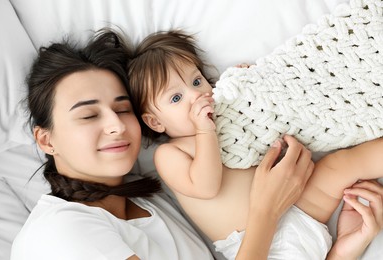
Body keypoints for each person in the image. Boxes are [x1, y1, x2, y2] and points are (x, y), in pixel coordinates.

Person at [9, 28, 318, 260]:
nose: (116, 126)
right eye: (89, 115)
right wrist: (266, 211)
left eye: (122, 109)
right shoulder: (61, 234)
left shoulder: (147, 199)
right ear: (46, 139)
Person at [128, 30, 383, 260]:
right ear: (154, 121)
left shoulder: (226, 122)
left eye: (197, 82)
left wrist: (248, 89)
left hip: (298, 210)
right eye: (176, 97)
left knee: (339, 165)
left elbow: (266, 121)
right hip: (263, 248)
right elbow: (206, 186)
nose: (196, 95)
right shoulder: (170, 153)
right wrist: (204, 131)